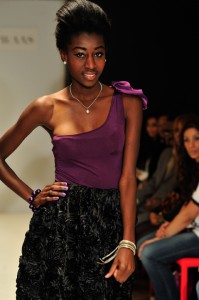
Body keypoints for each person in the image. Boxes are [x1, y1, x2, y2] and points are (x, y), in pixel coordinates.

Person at [0, 0, 148, 299]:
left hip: (108, 227)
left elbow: (128, 178)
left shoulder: (127, 103)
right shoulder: (47, 106)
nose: (91, 65)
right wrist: (32, 196)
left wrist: (128, 242)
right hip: (57, 230)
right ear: (64, 55)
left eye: (98, 54)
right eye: (80, 55)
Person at [137, 117, 199, 300]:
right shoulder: (193, 168)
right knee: (143, 244)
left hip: (196, 234)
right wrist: (169, 224)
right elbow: (187, 205)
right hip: (193, 230)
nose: (191, 145)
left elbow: (190, 213)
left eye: (196, 138)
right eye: (186, 140)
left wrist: (164, 234)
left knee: (149, 252)